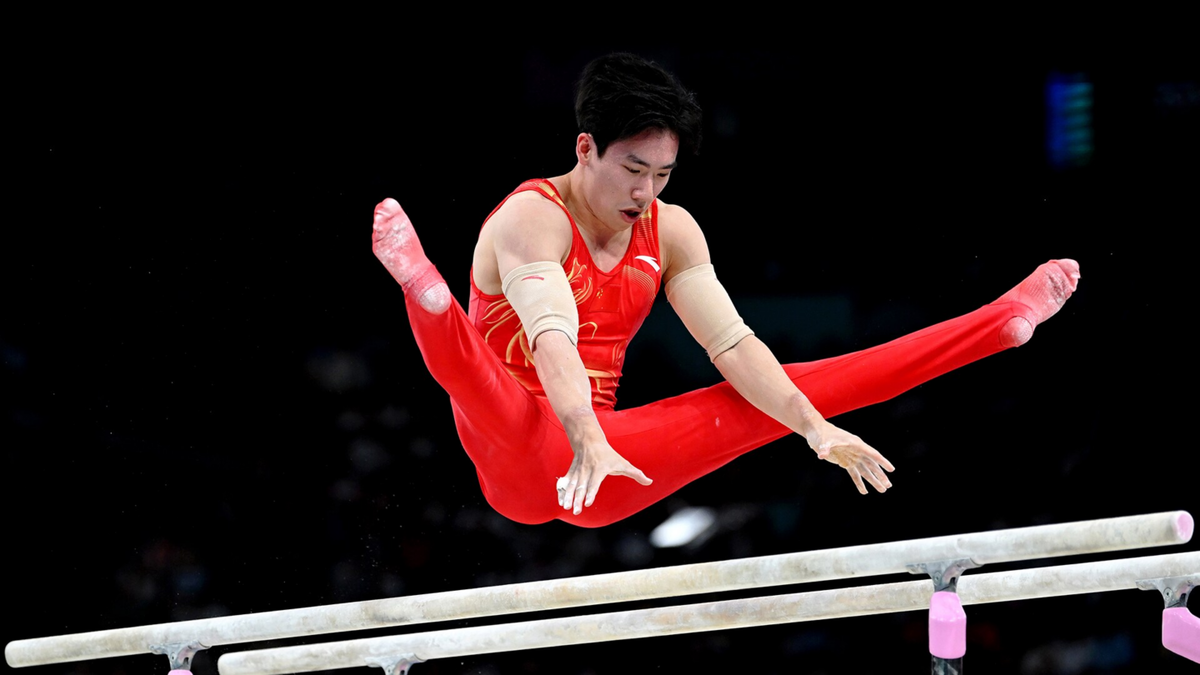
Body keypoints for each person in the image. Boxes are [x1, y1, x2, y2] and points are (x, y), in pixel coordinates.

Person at [371, 52, 1079, 528]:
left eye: (664, 175)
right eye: (632, 169)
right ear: (584, 147)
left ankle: (998, 320)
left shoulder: (673, 232)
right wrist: (582, 433)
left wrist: (812, 426)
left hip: (609, 461)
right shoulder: (532, 216)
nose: (646, 193)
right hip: (521, 447)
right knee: (480, 381)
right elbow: (551, 331)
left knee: (789, 388)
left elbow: (733, 344)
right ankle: (424, 291)